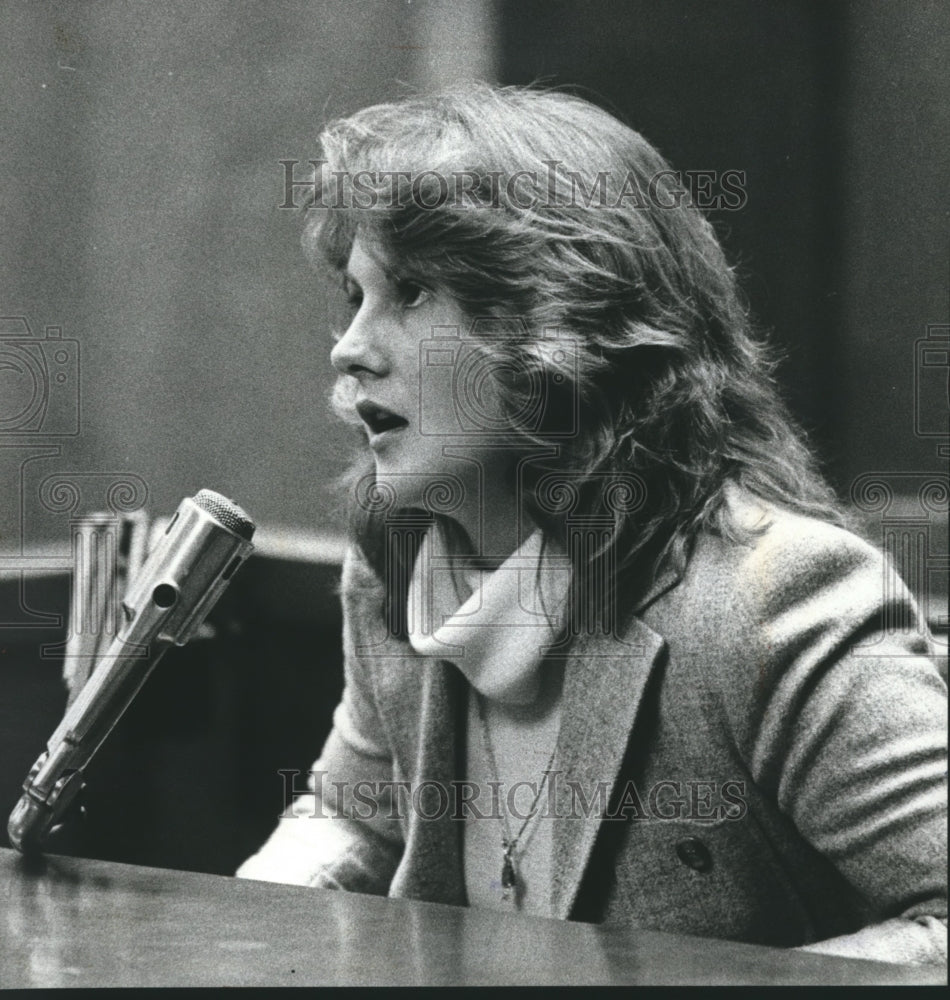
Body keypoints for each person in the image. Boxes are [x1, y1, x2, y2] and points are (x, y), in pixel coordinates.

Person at [237, 84, 947, 965]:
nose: (351, 346)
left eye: (413, 293)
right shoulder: (400, 564)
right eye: (355, 295)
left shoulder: (779, 597)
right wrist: (233, 938)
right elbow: (356, 818)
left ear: (561, 325)